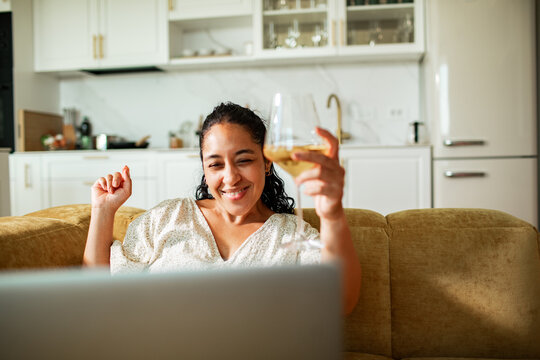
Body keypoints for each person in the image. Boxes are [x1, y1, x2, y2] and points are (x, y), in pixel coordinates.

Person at [84, 102, 361, 314]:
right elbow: (98, 291)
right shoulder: (167, 218)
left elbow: (341, 302)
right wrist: (103, 210)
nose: (230, 178)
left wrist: (333, 213)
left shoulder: (291, 234)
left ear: (267, 162)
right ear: (205, 169)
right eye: (216, 164)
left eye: (243, 160)